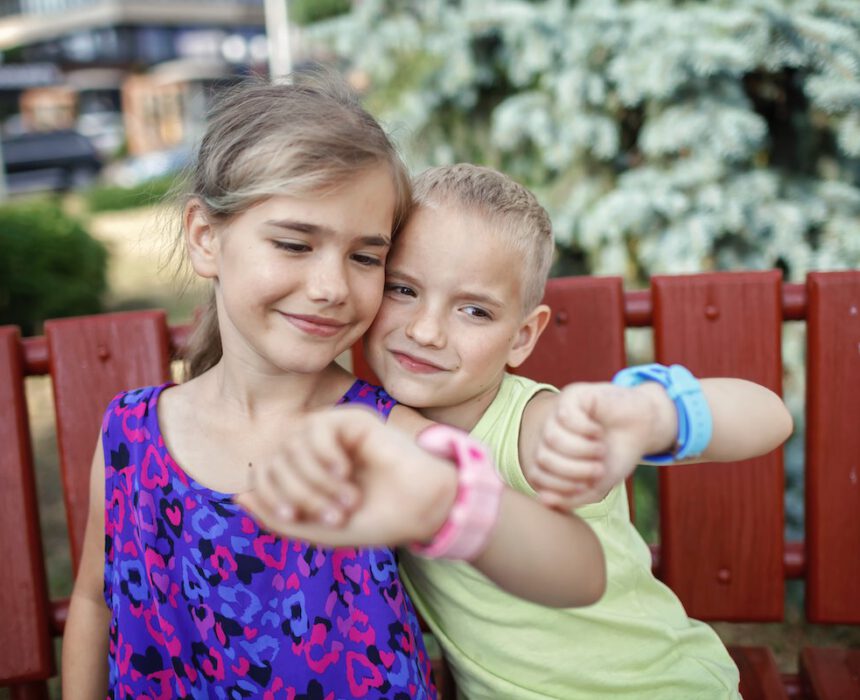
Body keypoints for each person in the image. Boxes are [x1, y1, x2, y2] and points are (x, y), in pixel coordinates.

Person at [61, 80, 607, 699]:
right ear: (206, 237)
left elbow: (577, 572)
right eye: (295, 244)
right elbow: (93, 600)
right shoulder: (130, 436)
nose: (331, 286)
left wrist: (451, 505)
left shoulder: (383, 438)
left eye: (366, 257)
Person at [299, 163, 791, 699]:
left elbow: (768, 415)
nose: (425, 330)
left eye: (474, 310)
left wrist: (652, 414)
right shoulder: (370, 418)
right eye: (403, 289)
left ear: (522, 337)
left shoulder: (531, 429)